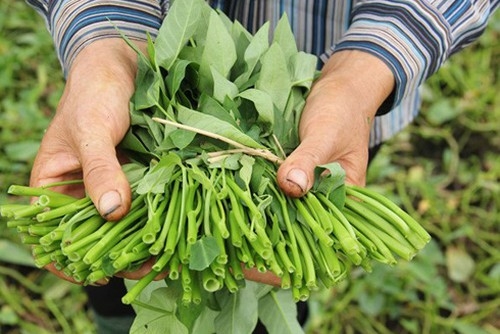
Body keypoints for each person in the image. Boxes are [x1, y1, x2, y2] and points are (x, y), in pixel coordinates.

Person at [26, 0, 499, 332]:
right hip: (133, 113)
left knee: (280, 267)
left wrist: (362, 73)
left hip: (316, 110)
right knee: (120, 267)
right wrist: (108, 45)